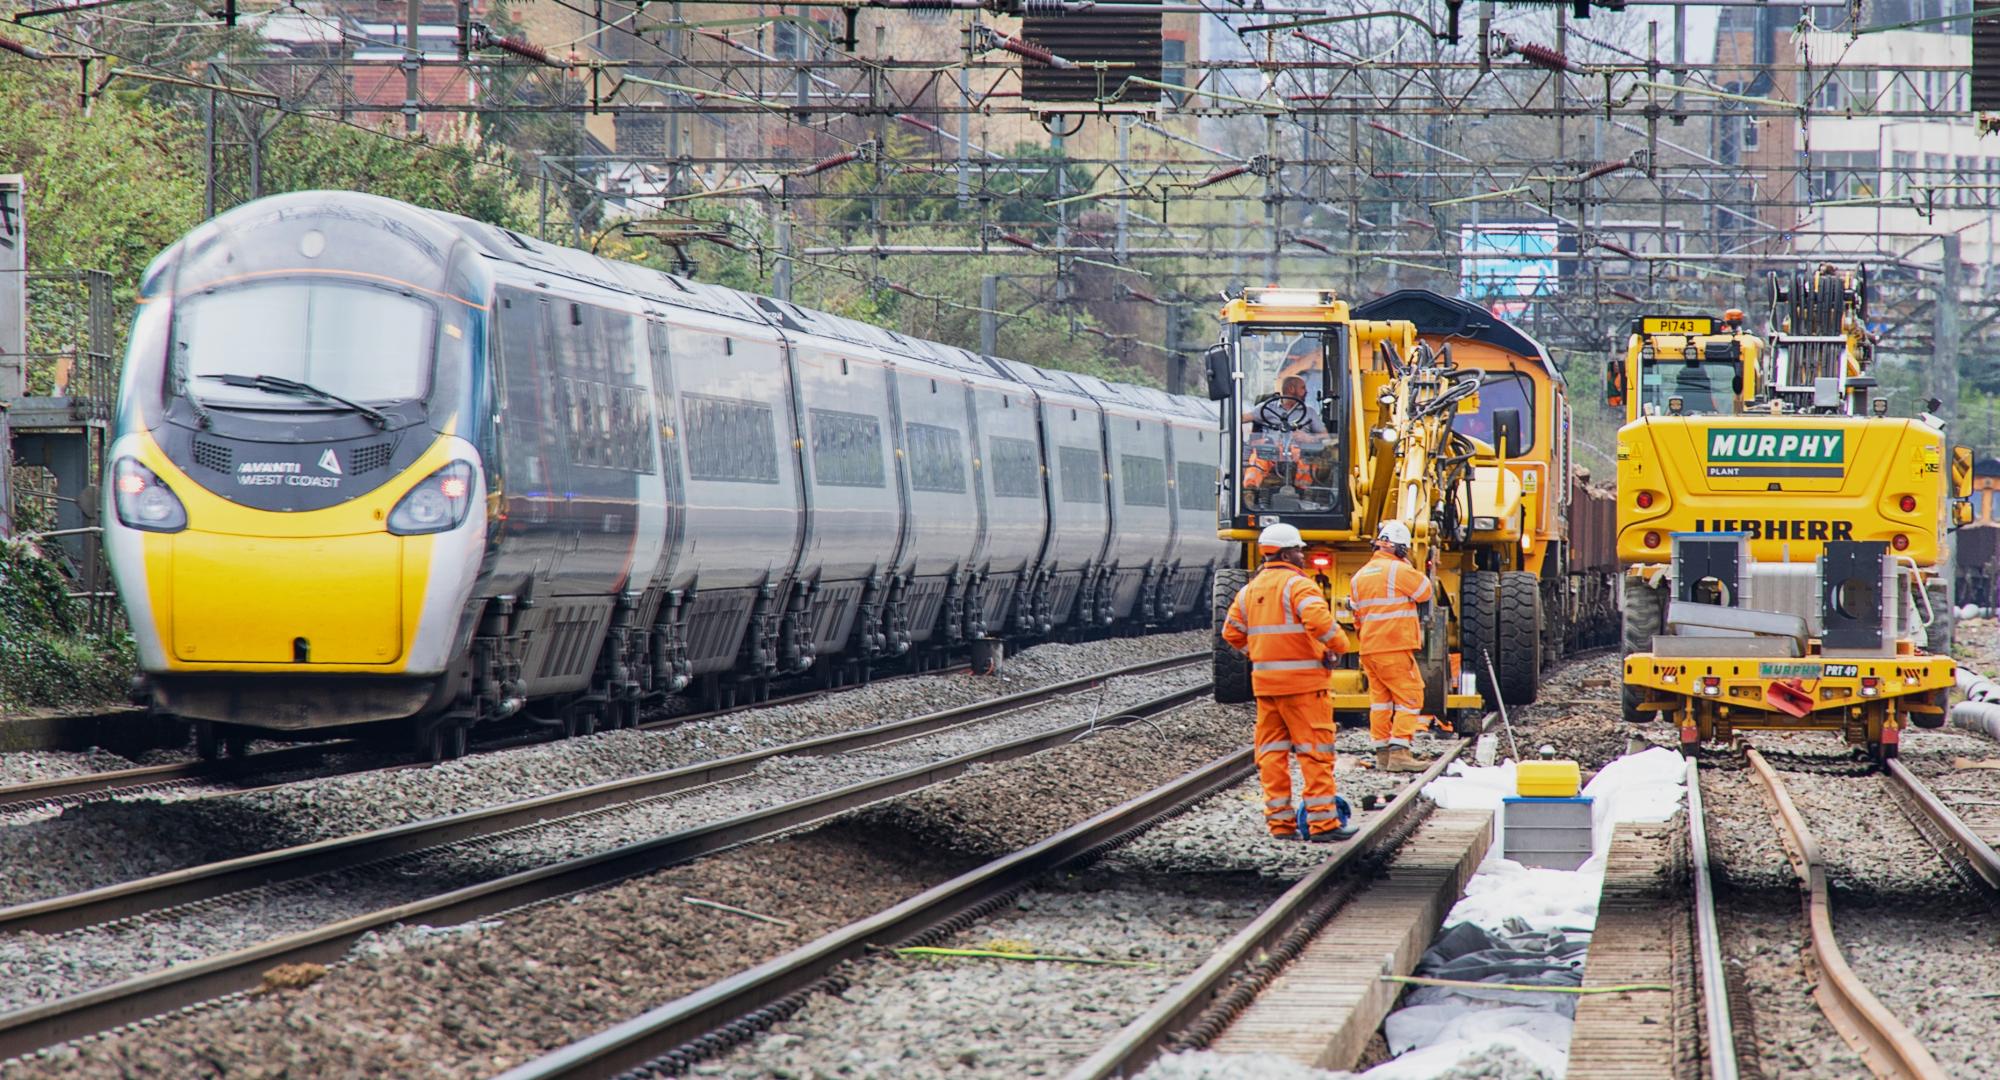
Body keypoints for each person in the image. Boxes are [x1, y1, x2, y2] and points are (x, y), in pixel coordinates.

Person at [1220, 523, 1356, 842]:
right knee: (1315, 752)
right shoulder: (1299, 586)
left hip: (1267, 688)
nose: (1303, 554)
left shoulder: (1249, 591)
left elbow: (1231, 632)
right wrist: (1337, 648)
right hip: (1304, 687)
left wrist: (1258, 652)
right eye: (1299, 549)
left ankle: (1280, 825)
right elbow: (1320, 624)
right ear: (1285, 553)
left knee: (1272, 756)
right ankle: (1323, 825)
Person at [1350, 519, 1437, 772]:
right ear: (1400, 548)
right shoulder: (1398, 570)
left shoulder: (1358, 577)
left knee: (1381, 701)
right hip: (1394, 645)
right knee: (1410, 696)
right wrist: (1411, 566)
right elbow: (1425, 592)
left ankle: (1382, 754)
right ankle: (1399, 752)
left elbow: (1357, 616)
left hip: (1369, 648)